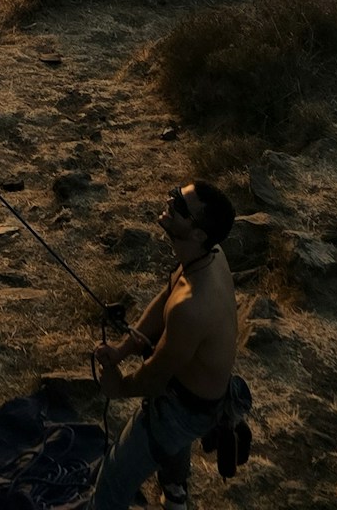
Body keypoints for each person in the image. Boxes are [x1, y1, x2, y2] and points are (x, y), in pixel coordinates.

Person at [92, 182, 242, 509]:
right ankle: (175, 492)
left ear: (199, 233)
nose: (170, 203)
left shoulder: (192, 306)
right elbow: (165, 300)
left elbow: (155, 377)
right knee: (172, 444)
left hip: (184, 409)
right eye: (176, 194)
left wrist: (118, 386)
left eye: (181, 207)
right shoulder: (209, 256)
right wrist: (121, 350)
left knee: (114, 476)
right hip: (190, 393)